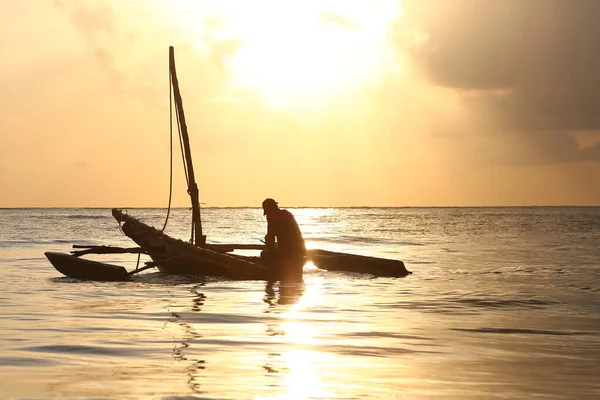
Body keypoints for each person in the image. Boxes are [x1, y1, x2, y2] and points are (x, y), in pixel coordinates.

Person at [261, 198, 306, 281]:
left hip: (290, 252)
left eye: (268, 212)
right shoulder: (287, 214)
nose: (267, 215)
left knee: (264, 254)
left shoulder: (274, 218)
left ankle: (272, 273)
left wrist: (271, 248)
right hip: (299, 250)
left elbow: (270, 237)